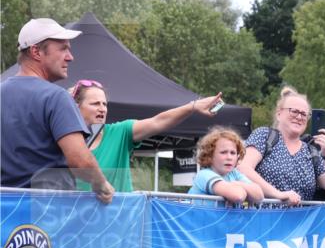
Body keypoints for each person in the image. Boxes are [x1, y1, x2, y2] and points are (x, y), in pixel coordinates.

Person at [0, 18, 113, 203]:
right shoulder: (56, 97)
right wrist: (102, 184)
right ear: (36, 51)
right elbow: (80, 162)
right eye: (63, 49)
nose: (70, 57)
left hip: (5, 212)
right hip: (48, 210)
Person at [70, 78, 223, 192]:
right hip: (80, 221)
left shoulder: (120, 132)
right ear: (76, 106)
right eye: (95, 104)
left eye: (104, 104)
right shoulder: (65, 142)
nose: (102, 109)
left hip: (119, 220)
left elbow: (158, 122)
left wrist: (193, 107)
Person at [238, 86, 325, 205]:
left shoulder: (311, 152)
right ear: (279, 114)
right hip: (263, 215)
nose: (299, 117)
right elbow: (243, 168)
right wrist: (278, 194)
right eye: (294, 111)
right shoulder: (264, 136)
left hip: (301, 217)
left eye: (304, 114)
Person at [188, 127, 264, 205]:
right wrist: (246, 191)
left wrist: (237, 184)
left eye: (233, 153)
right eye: (223, 152)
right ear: (210, 156)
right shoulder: (204, 174)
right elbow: (238, 196)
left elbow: (259, 196)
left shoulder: (234, 173)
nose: (229, 157)